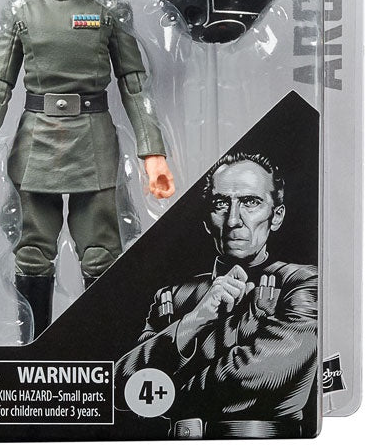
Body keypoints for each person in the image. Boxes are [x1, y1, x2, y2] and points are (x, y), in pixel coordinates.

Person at [0, 0, 175, 339]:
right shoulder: (21, 11)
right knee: (32, 254)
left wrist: (153, 155)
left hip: (94, 144)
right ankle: (34, 346)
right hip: (37, 146)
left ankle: (103, 350)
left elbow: (135, 85)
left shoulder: (107, 9)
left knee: (101, 253)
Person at [115, 153, 317, 439]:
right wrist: (194, 320)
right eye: (221, 204)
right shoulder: (174, 295)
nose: (233, 220)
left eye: (250, 202)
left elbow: (250, 378)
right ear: (207, 220)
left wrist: (165, 391)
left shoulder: (301, 284)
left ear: (276, 216)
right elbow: (120, 386)